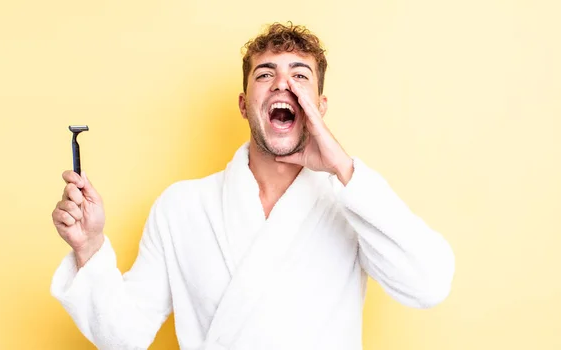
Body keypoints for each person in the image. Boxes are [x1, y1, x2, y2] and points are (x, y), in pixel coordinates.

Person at [51, 22, 455, 350]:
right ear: (244, 104)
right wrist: (89, 247)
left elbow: (429, 283)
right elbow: (123, 337)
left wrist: (343, 167)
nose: (284, 85)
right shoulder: (182, 208)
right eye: (266, 74)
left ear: (320, 106)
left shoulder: (349, 200)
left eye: (300, 75)